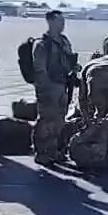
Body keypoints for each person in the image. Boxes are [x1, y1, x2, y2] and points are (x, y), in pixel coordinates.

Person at [32, 10, 77, 166]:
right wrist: (45, 88)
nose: (62, 25)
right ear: (50, 22)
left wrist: (74, 68)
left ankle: (53, 150)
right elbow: (39, 68)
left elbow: (69, 61)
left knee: (59, 120)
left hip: (62, 85)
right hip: (49, 86)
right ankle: (41, 152)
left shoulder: (64, 41)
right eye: (59, 21)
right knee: (46, 120)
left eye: (63, 21)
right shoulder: (42, 44)